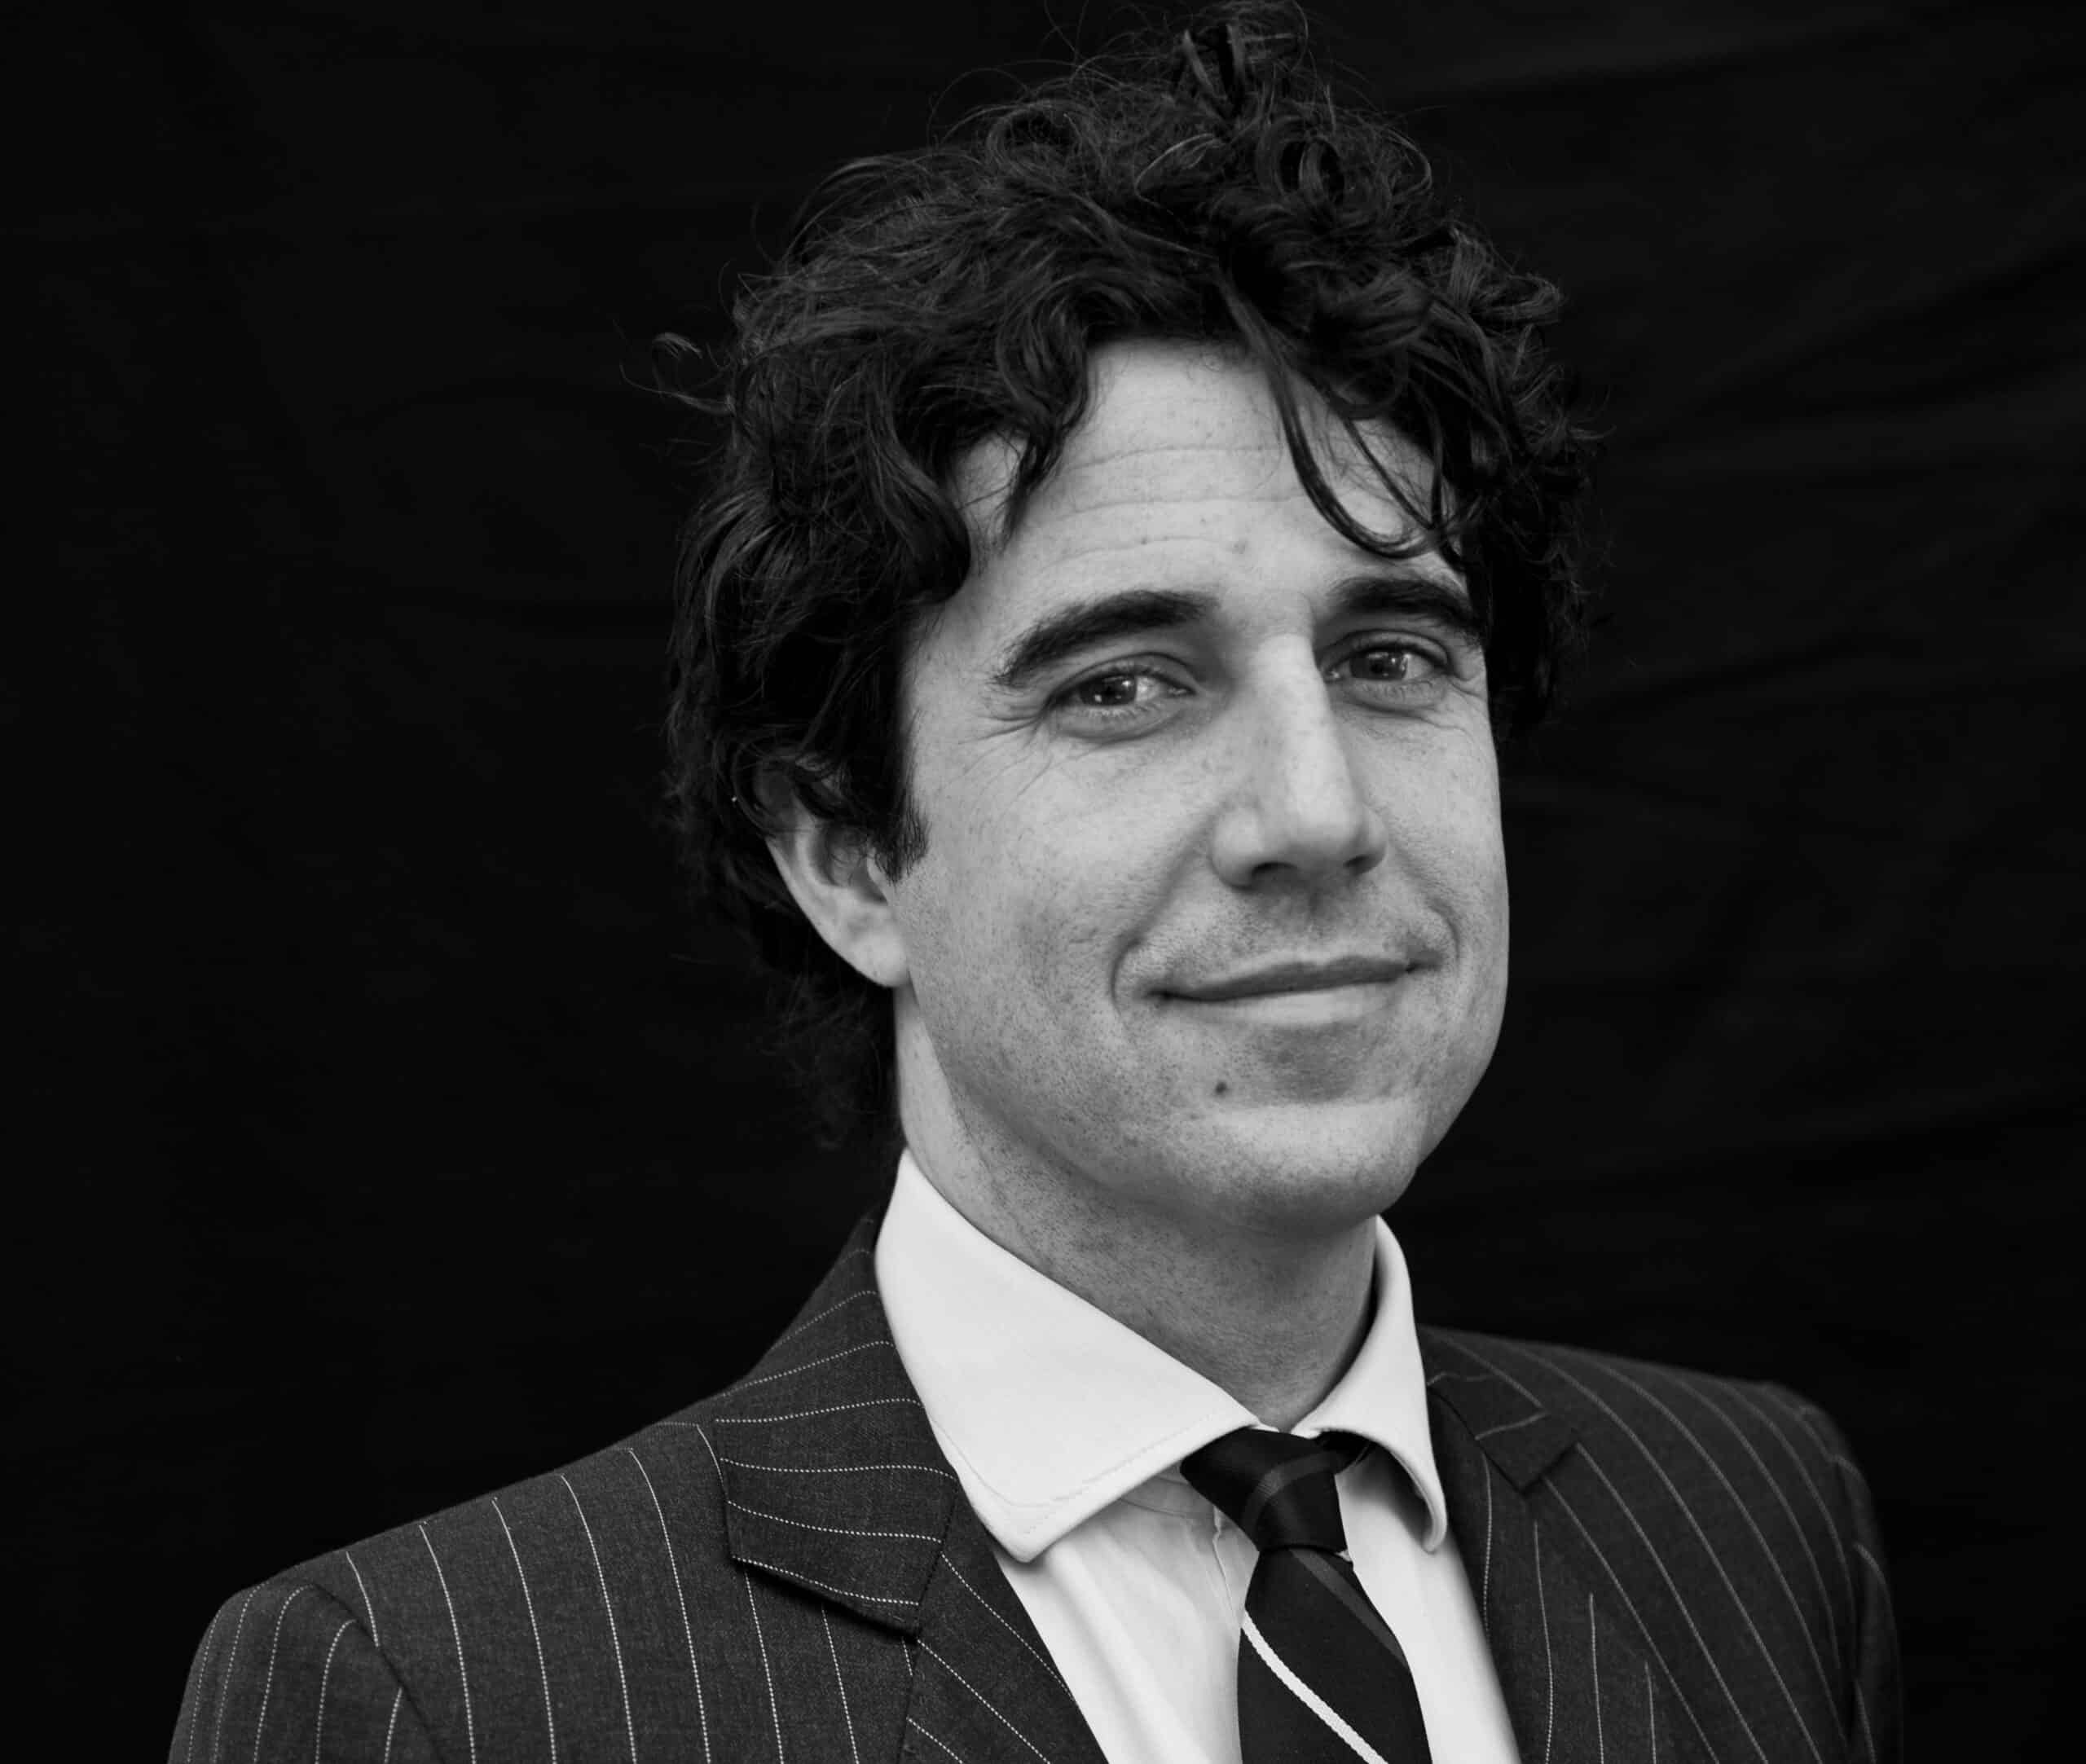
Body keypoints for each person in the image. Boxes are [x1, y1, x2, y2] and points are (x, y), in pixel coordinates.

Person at [170, 5, 1902, 1759]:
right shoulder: (436, 1693)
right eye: (1123, 685)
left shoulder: (1750, 1521)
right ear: (843, 850)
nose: (1315, 812)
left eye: (1389, 657)